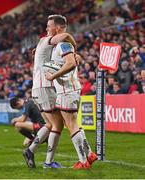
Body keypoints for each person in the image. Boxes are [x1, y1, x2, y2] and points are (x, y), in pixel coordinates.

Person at [45, 14, 97, 169]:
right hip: (66, 89)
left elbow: (70, 64)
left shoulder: (62, 44)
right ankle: (89, 154)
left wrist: (53, 76)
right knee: (72, 124)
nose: (47, 29)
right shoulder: (60, 45)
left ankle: (83, 162)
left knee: (72, 125)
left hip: (68, 89)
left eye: (49, 26)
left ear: (58, 28)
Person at [22, 27, 78, 168]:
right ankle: (47, 161)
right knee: (58, 124)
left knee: (50, 124)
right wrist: (74, 47)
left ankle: (31, 151)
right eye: (48, 28)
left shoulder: (45, 46)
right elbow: (64, 35)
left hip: (39, 89)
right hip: (44, 88)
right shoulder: (46, 40)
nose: (49, 30)